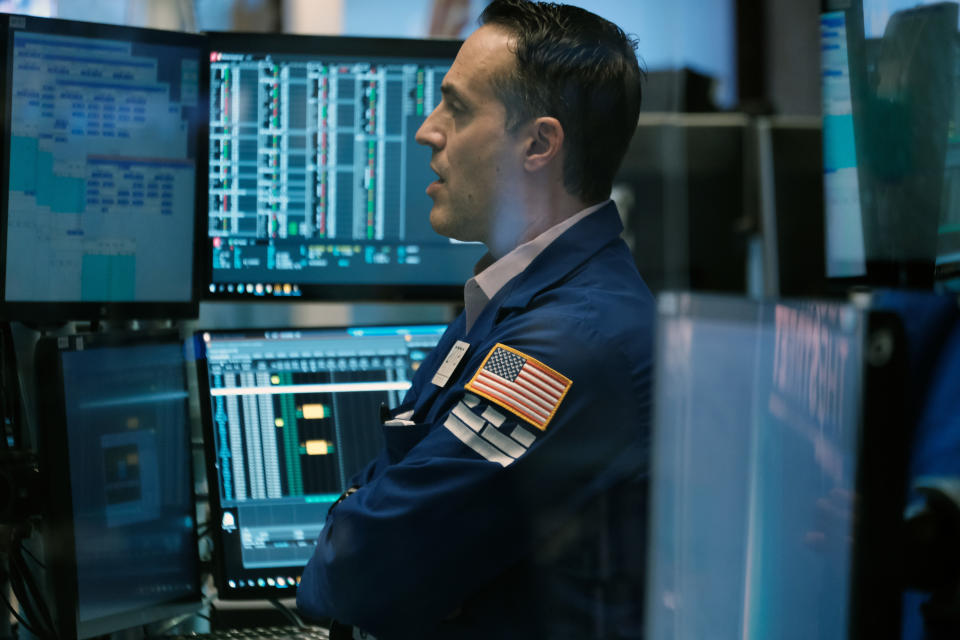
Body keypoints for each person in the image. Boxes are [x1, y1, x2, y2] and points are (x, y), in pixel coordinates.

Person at [296, 1, 652, 637]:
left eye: (456, 108)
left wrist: (356, 538)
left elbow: (364, 572)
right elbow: (390, 497)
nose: (426, 131)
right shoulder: (512, 294)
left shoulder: (563, 342)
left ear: (539, 143)